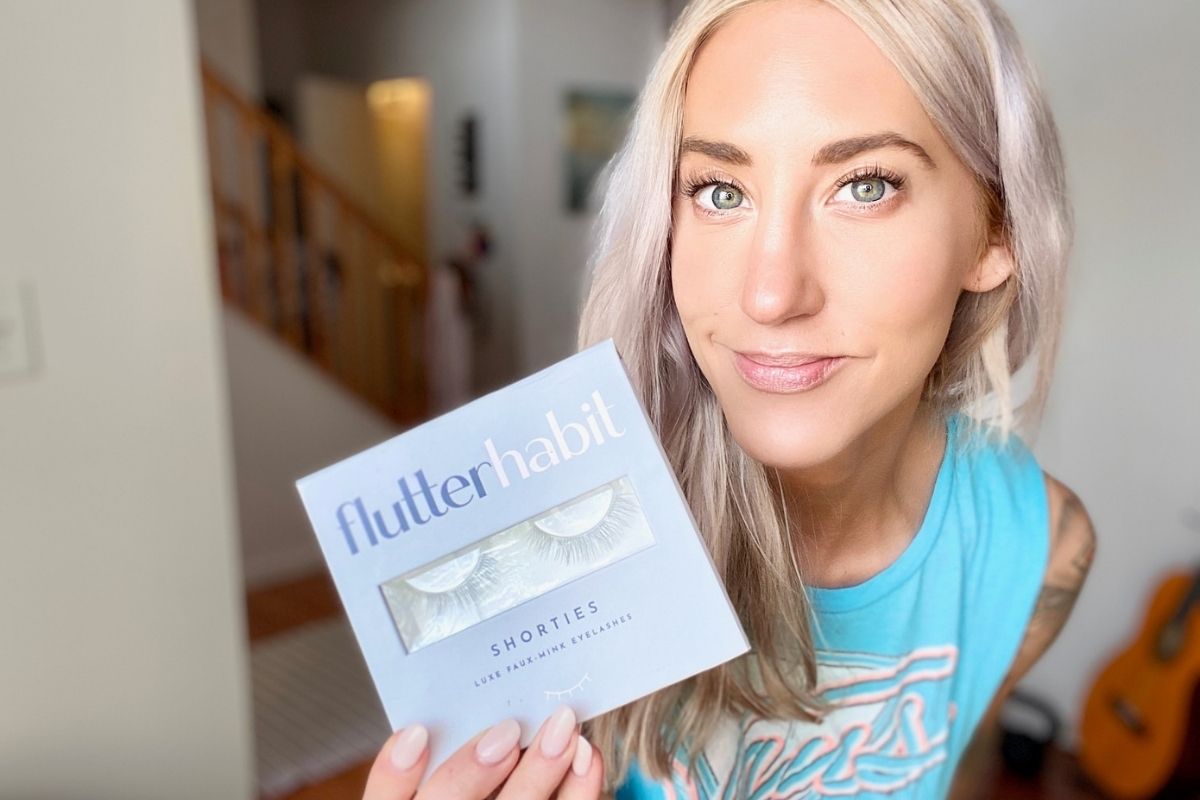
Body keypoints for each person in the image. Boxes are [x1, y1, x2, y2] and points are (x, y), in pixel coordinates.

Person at [357, 0, 1097, 797]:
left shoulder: (1036, 554)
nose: (771, 294)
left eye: (866, 184)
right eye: (718, 191)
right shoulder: (546, 560)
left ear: (997, 232)